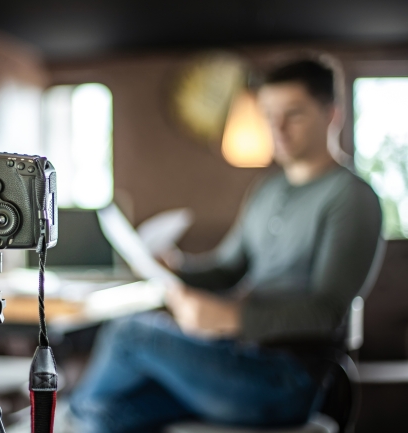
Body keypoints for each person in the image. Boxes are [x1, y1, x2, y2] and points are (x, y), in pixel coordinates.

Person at [69, 58, 383, 432]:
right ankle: (77, 414)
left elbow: (325, 313)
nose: (277, 128)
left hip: (289, 379)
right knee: (104, 414)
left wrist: (230, 319)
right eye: (269, 115)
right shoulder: (267, 190)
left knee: (130, 334)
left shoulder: (351, 197)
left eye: (293, 115)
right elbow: (227, 269)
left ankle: (71, 414)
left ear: (332, 115)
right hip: (235, 359)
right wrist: (175, 267)